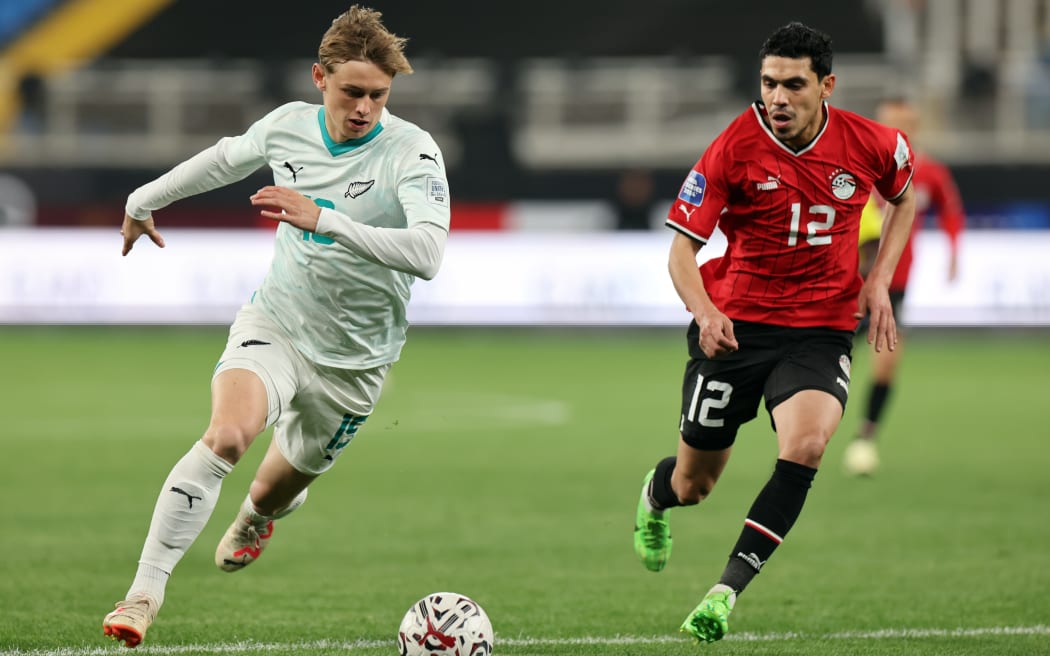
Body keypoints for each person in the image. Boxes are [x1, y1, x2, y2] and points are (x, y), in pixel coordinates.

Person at [102, 5, 451, 648]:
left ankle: (260, 515)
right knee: (228, 435)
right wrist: (142, 199)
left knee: (272, 489)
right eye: (351, 92)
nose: (364, 108)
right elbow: (223, 159)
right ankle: (142, 595)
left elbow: (428, 254)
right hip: (279, 323)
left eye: (378, 96)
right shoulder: (287, 128)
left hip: (356, 363)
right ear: (319, 77)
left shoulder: (413, 151)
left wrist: (322, 217)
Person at [632, 22, 916, 643]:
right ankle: (654, 500)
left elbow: (904, 197)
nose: (777, 98)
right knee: (694, 484)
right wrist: (706, 312)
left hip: (819, 330)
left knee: (807, 446)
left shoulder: (872, 143)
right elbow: (682, 251)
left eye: (793, 84)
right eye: (768, 83)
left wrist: (879, 283)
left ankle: (723, 592)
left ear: (827, 86)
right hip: (735, 331)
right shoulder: (733, 148)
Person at [843, 97, 964, 475]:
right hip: (847, 282)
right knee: (835, 358)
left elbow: (951, 212)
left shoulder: (929, 173)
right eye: (891, 122)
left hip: (895, 284)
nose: (899, 129)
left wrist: (954, 252)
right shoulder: (855, 166)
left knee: (886, 366)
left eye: (905, 122)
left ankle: (865, 438)